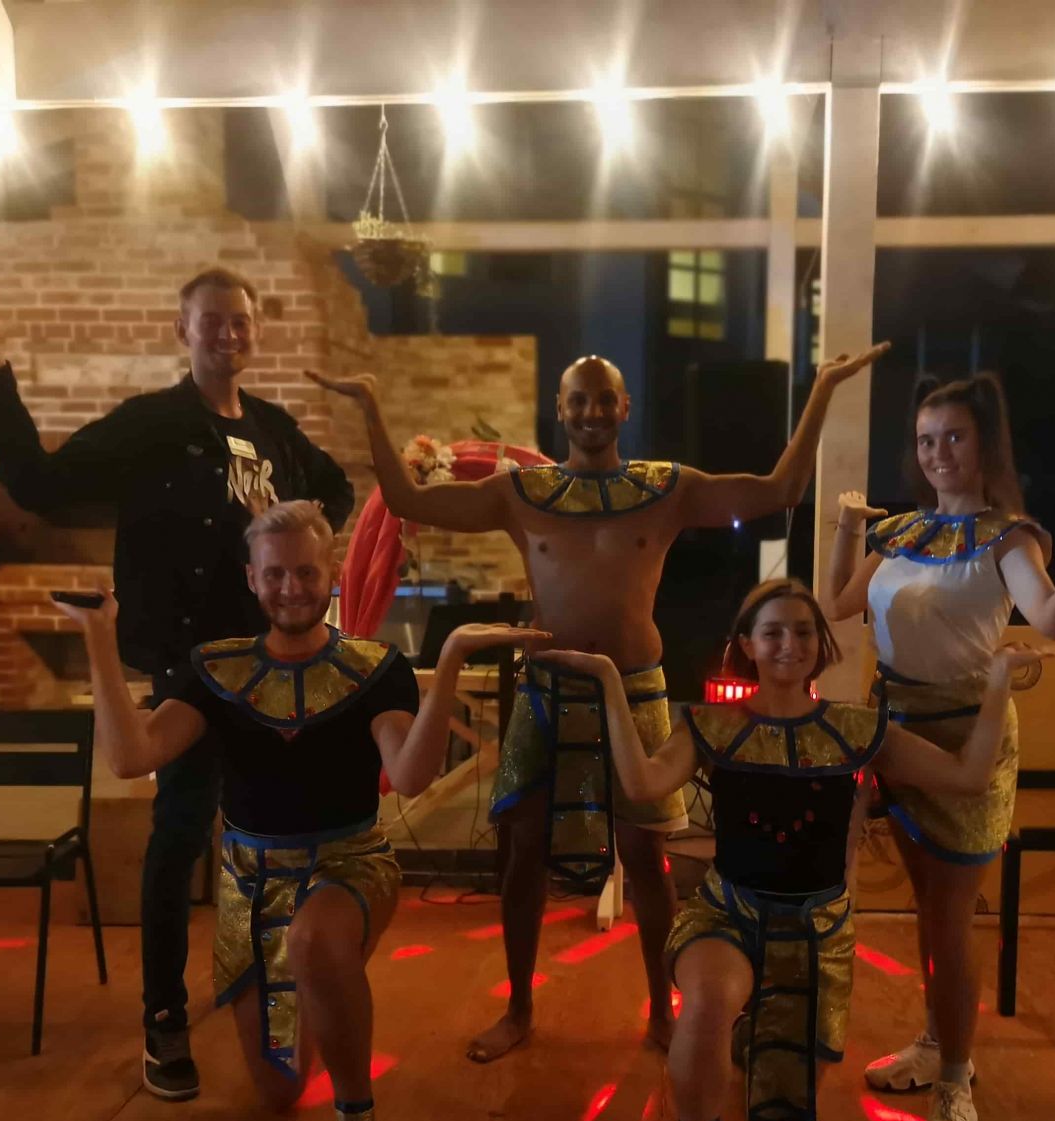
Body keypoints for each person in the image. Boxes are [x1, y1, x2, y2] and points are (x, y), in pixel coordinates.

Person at [307, 344, 890, 1063]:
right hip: (546, 689)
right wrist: (370, 407)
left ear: (625, 407)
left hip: (636, 687)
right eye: (577, 400)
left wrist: (824, 386)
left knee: (646, 853)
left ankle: (662, 1011)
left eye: (603, 399)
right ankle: (519, 1007)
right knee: (523, 849)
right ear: (560, 410)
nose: (590, 412)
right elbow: (409, 502)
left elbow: (780, 488)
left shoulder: (668, 488)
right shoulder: (520, 493)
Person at [0, 268, 355, 1103]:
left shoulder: (272, 429)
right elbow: (39, 485)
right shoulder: (151, 424)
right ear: (183, 330)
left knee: (277, 839)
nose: (228, 334)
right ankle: (164, 1019)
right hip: (192, 670)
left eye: (240, 321)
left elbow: (335, 490)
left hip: (270, 667)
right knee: (179, 836)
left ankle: (277, 999)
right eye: (212, 321)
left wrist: (306, 543)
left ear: (254, 332)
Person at [57, 499, 541, 1121]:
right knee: (278, 1093)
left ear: (331, 576)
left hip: (349, 863)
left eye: (306, 573)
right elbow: (131, 756)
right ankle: (324, 995)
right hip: (250, 883)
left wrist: (447, 661)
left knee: (315, 941)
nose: (291, 587)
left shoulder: (374, 670)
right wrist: (99, 636)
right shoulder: (218, 669)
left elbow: (411, 775)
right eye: (276, 574)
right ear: (253, 579)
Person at [546, 579, 1040, 1121]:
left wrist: (1000, 683)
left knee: (782, 1116)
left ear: (822, 645)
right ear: (747, 646)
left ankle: (750, 1044)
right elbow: (642, 784)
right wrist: (609, 681)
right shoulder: (713, 725)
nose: (789, 644)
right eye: (772, 631)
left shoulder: (859, 729)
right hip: (729, 912)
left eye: (803, 631)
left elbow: (966, 777)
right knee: (708, 1003)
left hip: (817, 934)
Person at [819, 372, 1055, 1121]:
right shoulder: (903, 532)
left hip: (967, 735)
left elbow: (1049, 618)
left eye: (954, 436)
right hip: (893, 730)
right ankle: (933, 1041)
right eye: (926, 439)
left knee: (951, 917)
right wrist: (847, 525)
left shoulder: (1009, 537)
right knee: (923, 906)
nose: (938, 452)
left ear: (985, 444)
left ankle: (956, 1082)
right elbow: (838, 604)